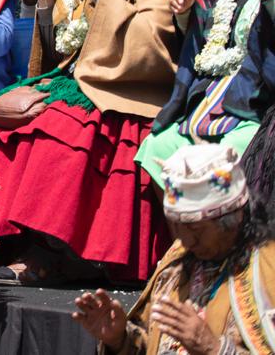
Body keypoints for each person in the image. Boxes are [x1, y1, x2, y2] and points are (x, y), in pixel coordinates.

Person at [0, 0, 212, 285]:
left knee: (56, 128)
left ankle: (52, 251)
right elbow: (65, 49)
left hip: (133, 95)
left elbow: (143, 51)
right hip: (89, 85)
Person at [73, 144, 275, 354]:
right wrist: (120, 340)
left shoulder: (268, 269)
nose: (186, 240)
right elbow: (150, 343)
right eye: (177, 227)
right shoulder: (178, 259)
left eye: (195, 229)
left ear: (234, 219)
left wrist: (214, 349)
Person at [137, 0, 275, 189]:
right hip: (222, 93)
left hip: (261, 103)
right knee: (157, 148)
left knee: (229, 156)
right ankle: (184, 222)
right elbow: (215, 31)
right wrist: (188, 11)